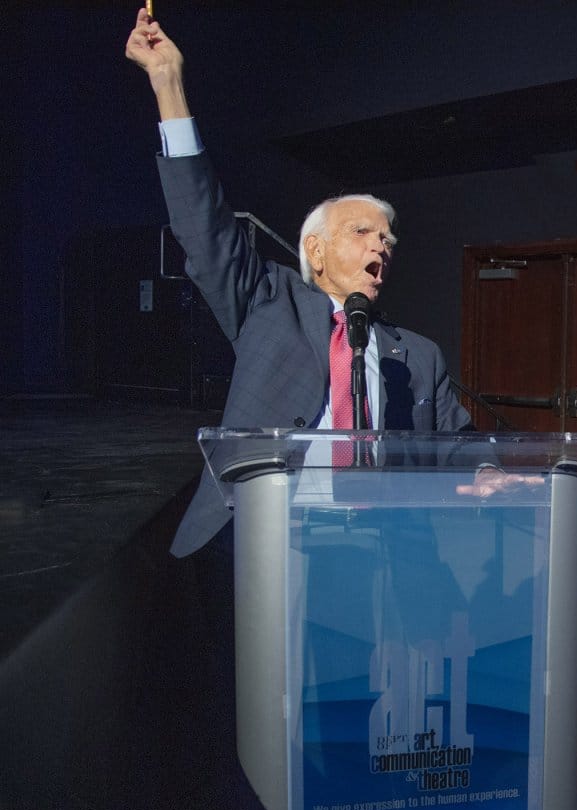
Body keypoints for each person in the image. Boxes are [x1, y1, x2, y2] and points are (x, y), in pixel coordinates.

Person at [125, 8, 525, 560]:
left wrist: (486, 468)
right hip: (264, 539)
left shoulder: (419, 358)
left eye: (387, 239)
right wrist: (168, 84)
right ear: (313, 249)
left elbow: (458, 441)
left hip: (376, 548)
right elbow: (207, 229)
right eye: (362, 232)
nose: (380, 246)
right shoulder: (268, 302)